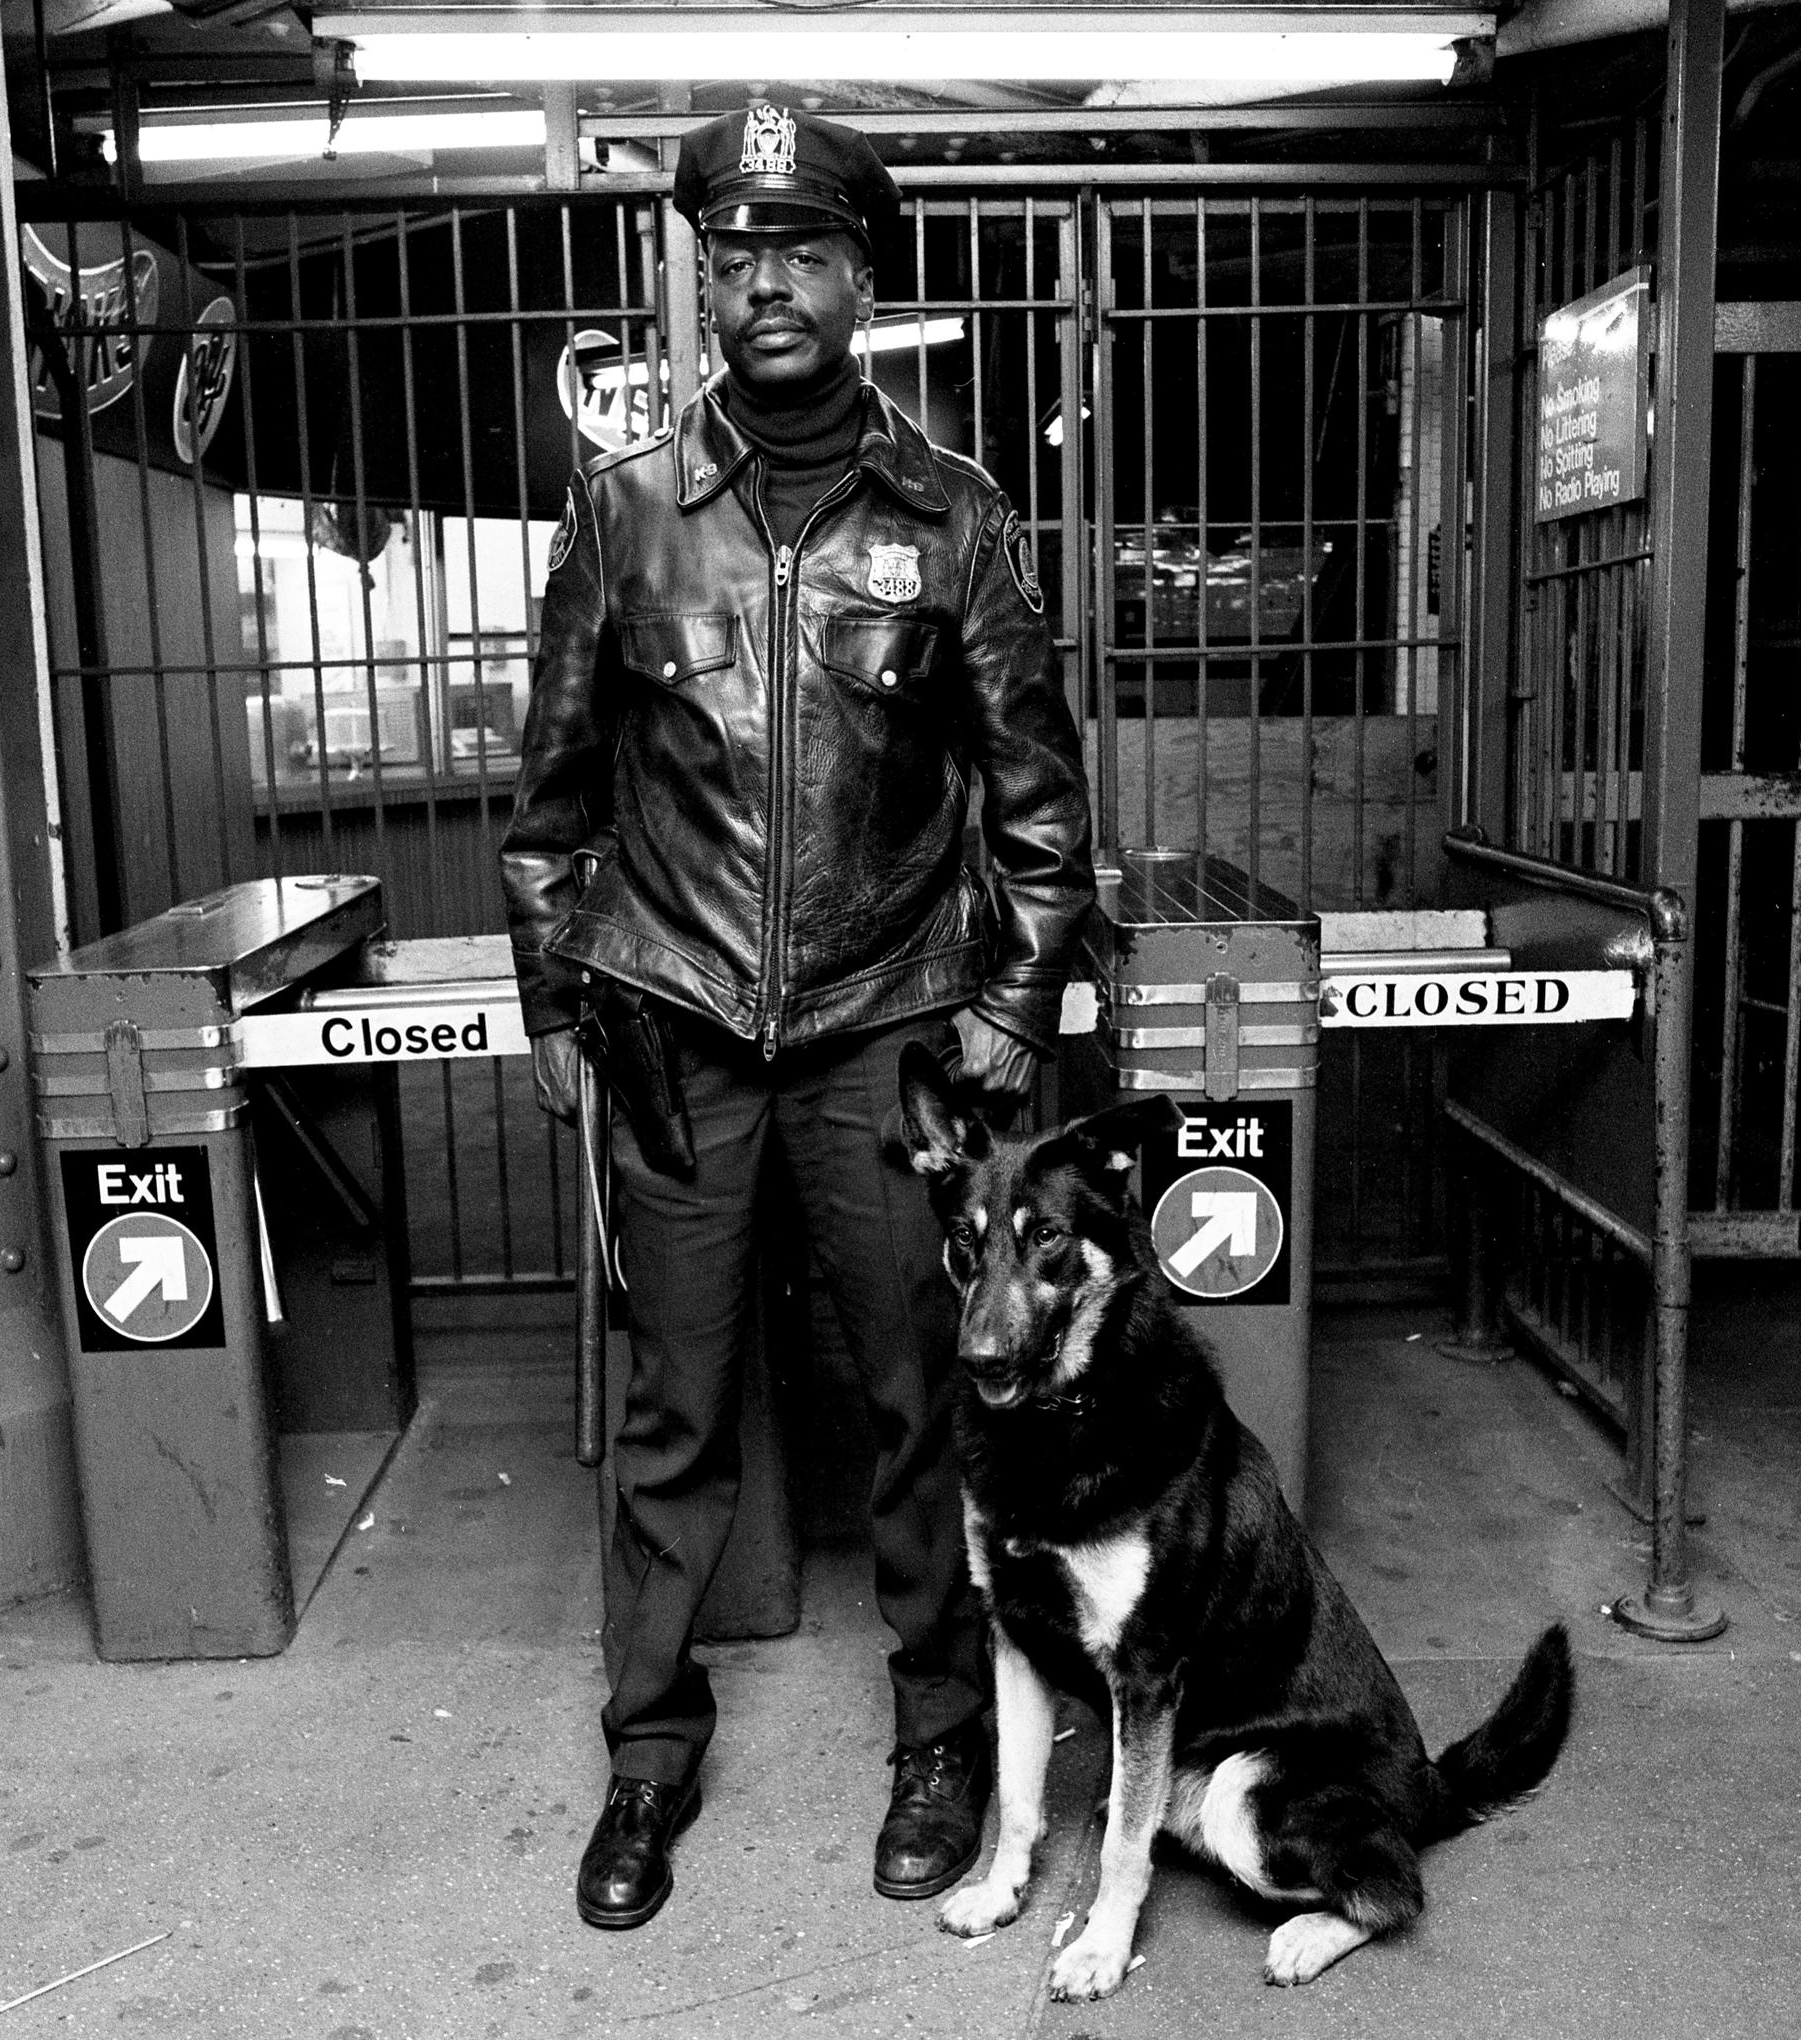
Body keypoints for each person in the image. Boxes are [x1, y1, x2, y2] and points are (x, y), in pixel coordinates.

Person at [499, 102, 1095, 1931]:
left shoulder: (955, 522)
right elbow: (551, 802)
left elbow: (1041, 802)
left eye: (802, 253)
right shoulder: (624, 520)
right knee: (677, 1413)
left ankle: (942, 1742)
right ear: (705, 281)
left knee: (920, 1399)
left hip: (887, 1038)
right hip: (675, 1034)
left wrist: (1009, 1001)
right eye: (734, 255)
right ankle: (649, 1755)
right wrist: (558, 1000)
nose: (766, 285)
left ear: (859, 277)